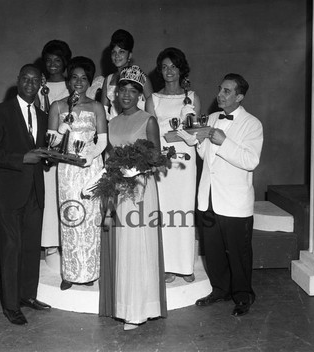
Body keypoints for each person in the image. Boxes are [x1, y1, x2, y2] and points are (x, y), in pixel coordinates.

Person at [181, 73, 263, 317]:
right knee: (213, 251)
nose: (220, 94)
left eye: (227, 91)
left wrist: (224, 141)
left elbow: (250, 161)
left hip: (235, 202)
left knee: (238, 253)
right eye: (220, 89)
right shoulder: (213, 117)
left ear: (239, 96)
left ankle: (243, 296)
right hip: (208, 198)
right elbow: (206, 155)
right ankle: (220, 290)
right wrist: (196, 141)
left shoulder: (252, 124)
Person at [0, 64, 52, 325]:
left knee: (31, 248)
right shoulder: (0, 112)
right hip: (7, 193)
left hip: (34, 191)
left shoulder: (44, 116)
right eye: (26, 79)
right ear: (18, 80)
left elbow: (42, 152)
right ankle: (11, 306)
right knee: (11, 249)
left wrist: (49, 158)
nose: (30, 84)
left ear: (41, 83)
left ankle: (27, 296)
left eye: (35, 80)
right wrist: (22, 157)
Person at [99, 65, 167, 331]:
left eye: (132, 91)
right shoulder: (112, 123)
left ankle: (138, 311)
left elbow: (159, 162)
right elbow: (108, 158)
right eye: (122, 90)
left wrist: (136, 169)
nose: (126, 95)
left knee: (137, 248)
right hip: (117, 190)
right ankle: (124, 305)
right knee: (123, 248)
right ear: (115, 94)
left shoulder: (148, 120)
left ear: (140, 94)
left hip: (140, 190)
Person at [48, 56, 107, 290]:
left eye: (84, 78)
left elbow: (103, 140)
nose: (79, 82)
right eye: (74, 77)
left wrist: (91, 156)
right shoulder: (58, 106)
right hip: (67, 170)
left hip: (90, 167)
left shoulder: (96, 106)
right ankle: (70, 272)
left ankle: (91, 271)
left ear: (89, 81)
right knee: (70, 216)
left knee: (91, 218)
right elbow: (51, 143)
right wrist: (62, 129)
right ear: (68, 80)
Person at [145, 47, 200, 283]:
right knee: (166, 212)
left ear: (181, 69)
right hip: (163, 163)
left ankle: (186, 265)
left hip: (185, 162)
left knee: (185, 211)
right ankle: (167, 265)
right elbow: (149, 135)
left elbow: (193, 131)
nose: (169, 71)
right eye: (164, 67)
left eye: (173, 66)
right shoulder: (152, 99)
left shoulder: (192, 98)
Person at [38, 40, 72, 259]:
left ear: (65, 62)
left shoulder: (71, 86)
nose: (52, 64)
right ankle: (51, 241)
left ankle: (67, 238)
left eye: (57, 60)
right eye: (48, 60)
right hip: (48, 146)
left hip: (69, 147)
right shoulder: (39, 85)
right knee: (49, 194)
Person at [100, 29, 153, 120]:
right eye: (114, 52)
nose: (117, 56)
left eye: (121, 52)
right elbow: (102, 112)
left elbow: (152, 108)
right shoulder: (108, 79)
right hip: (114, 127)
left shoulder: (142, 78)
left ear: (130, 55)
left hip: (136, 126)